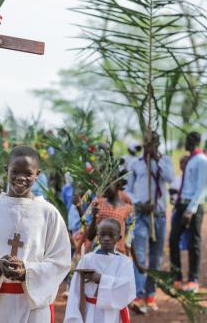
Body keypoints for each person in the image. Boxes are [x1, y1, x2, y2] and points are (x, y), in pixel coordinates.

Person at [0, 146, 71, 323]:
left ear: (38, 174)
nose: (21, 178)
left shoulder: (48, 213)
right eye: (15, 172)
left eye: (28, 173)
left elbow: (60, 261)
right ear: (6, 170)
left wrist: (27, 271)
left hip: (33, 306)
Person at [125, 132, 174, 312]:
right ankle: (138, 294)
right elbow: (128, 190)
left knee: (156, 256)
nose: (149, 146)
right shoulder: (135, 164)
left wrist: (157, 159)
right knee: (139, 254)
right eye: (147, 143)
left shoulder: (165, 161)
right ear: (143, 144)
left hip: (159, 215)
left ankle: (150, 294)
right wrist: (139, 203)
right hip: (141, 215)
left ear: (158, 144)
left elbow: (170, 178)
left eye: (153, 143)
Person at [64, 219, 136, 322]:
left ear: (119, 238)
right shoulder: (87, 259)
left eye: (111, 235)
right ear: (97, 236)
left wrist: (101, 279)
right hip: (90, 312)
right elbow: (75, 291)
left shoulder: (125, 262)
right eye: (102, 234)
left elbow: (128, 289)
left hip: (113, 314)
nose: (106, 238)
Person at [169, 131, 207, 293]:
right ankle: (176, 277)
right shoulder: (190, 160)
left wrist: (191, 209)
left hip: (194, 206)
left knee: (194, 242)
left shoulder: (201, 160)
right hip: (181, 205)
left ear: (194, 142)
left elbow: (202, 187)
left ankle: (193, 279)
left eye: (188, 140)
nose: (185, 143)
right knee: (173, 239)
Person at [86, 173, 133, 255]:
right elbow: (90, 236)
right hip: (99, 253)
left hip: (118, 253)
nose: (104, 188)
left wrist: (128, 256)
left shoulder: (128, 209)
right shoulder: (97, 203)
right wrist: (94, 218)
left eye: (107, 184)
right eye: (103, 184)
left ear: (117, 185)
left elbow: (129, 237)